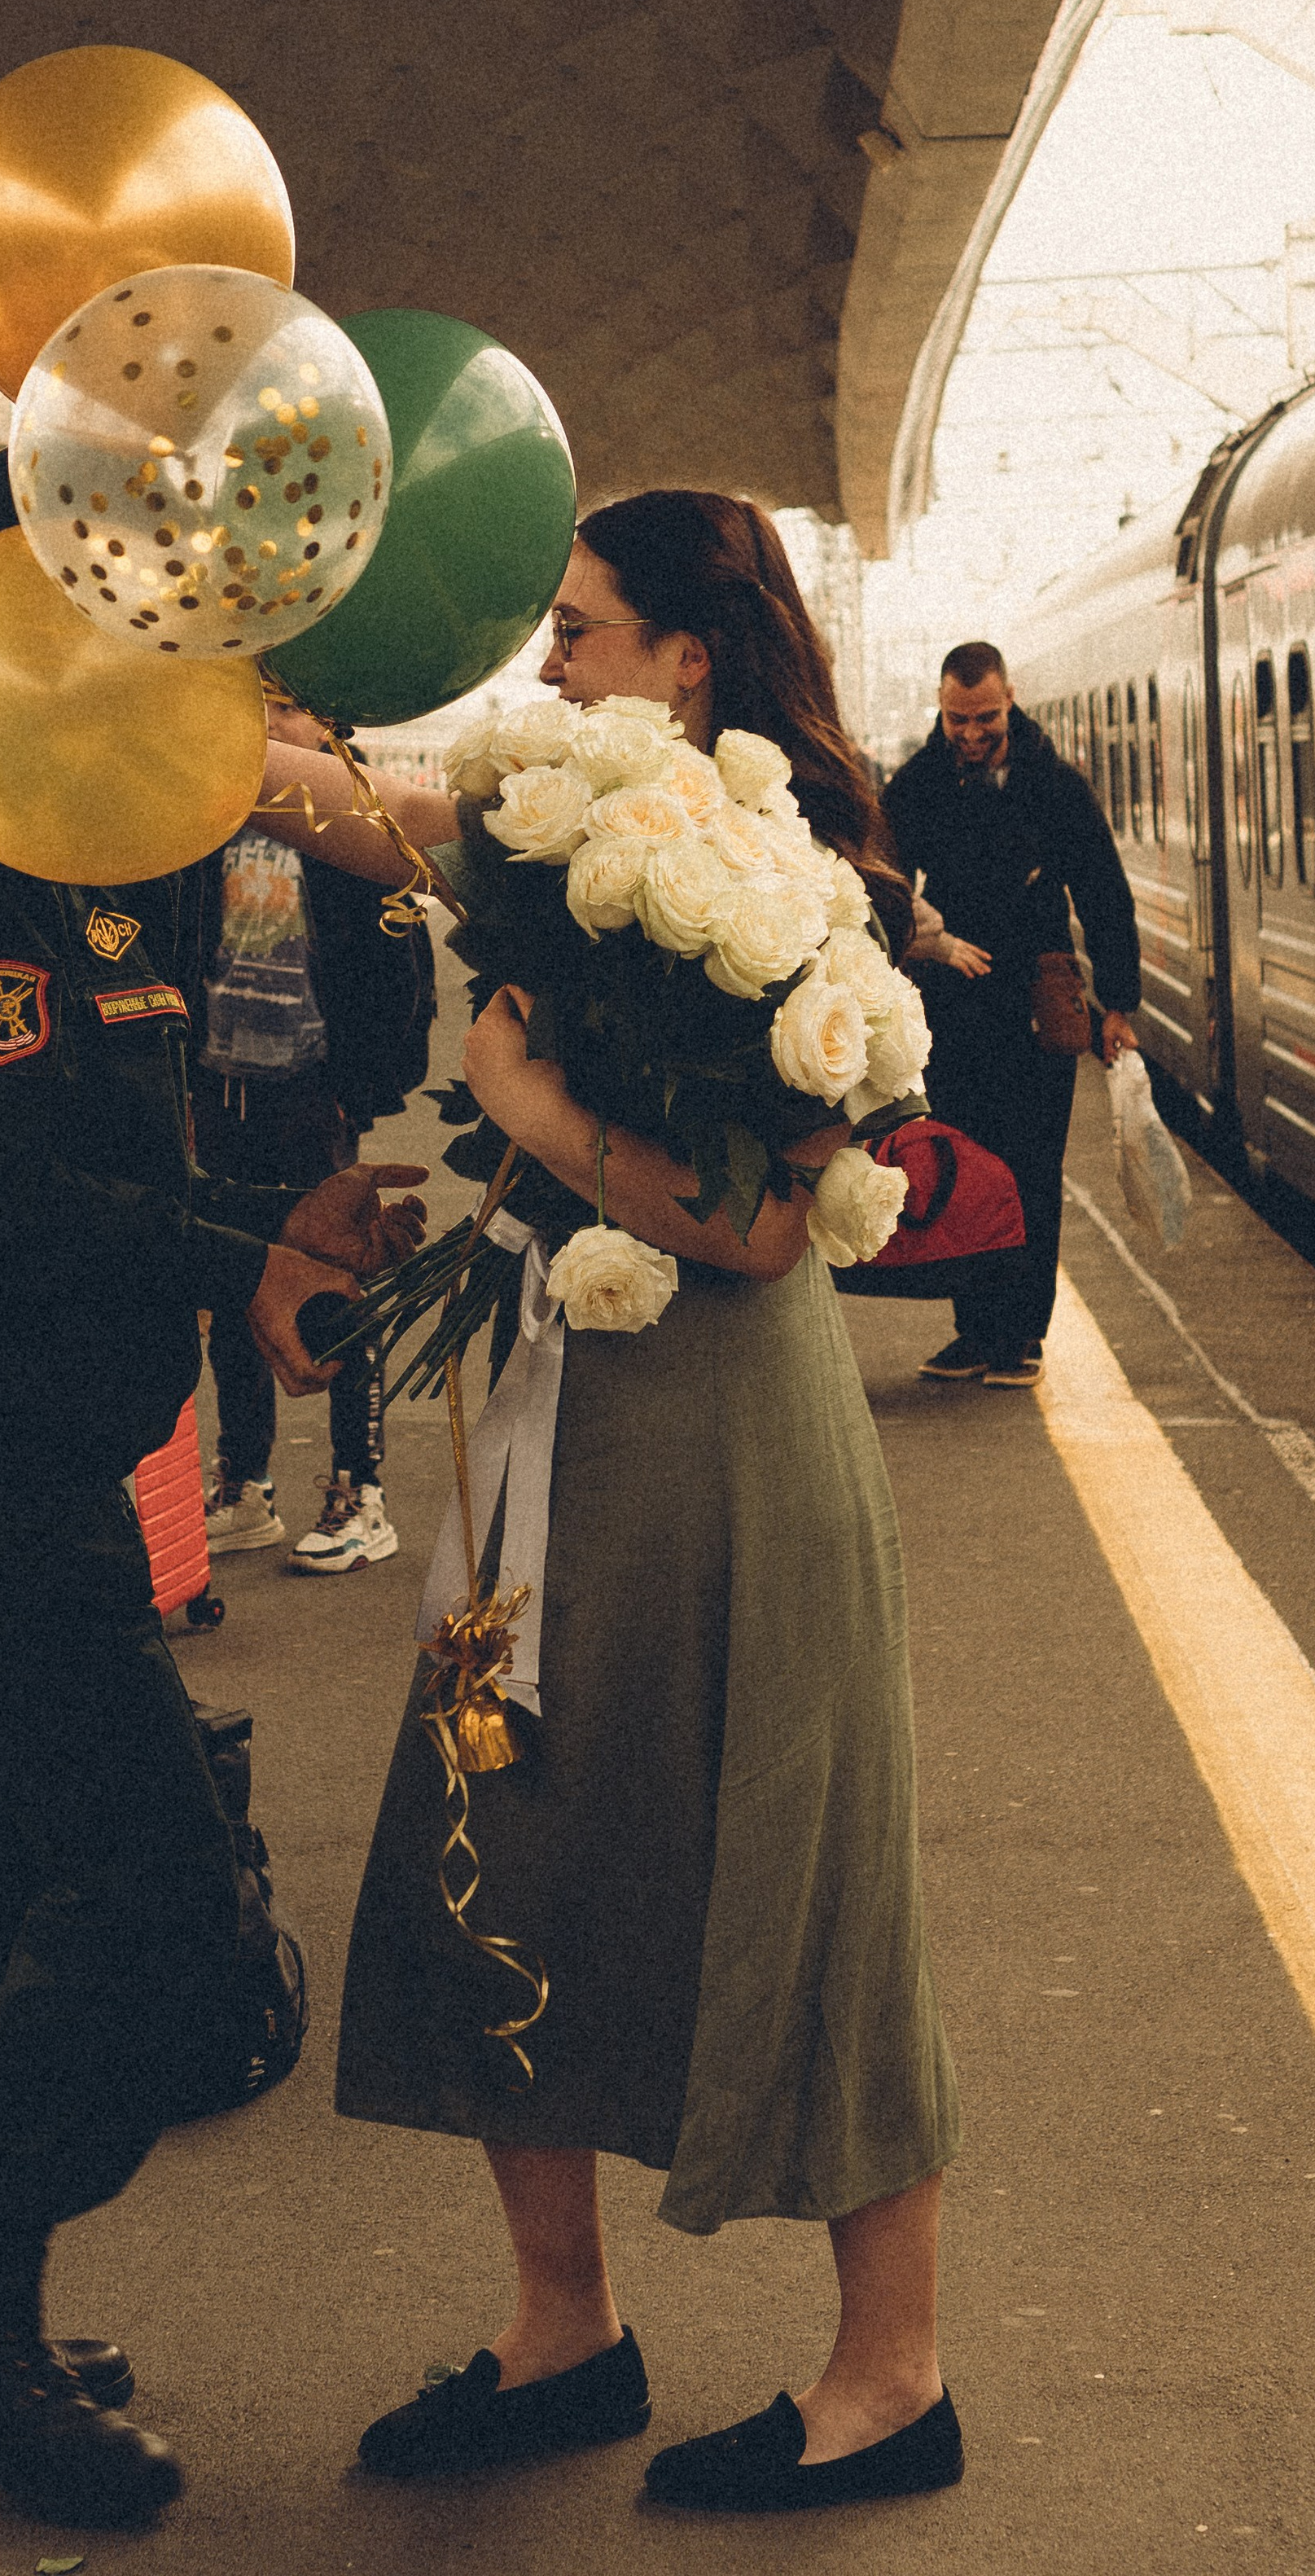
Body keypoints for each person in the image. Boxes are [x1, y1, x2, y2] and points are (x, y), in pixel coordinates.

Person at [306, 491, 962, 2518]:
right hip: (553, 1416)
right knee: (490, 1810)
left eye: (579, 632)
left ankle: (888, 2373)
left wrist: (526, 1116)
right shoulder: (559, 844)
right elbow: (337, 807)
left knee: (792, 1853)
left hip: (722, 1445)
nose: (549, 665)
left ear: (689, 659)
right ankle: (559, 2326)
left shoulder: (785, 892)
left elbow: (764, 1228)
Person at [0, 456, 428, 2531]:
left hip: (17, 1440)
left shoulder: (105, 841)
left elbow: (111, 1155)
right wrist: (233, 1260)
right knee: (155, 1904)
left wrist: (269, 1214)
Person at [191, 703, 436, 1573]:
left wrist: (353, 1095)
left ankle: (358, 1490)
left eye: (288, 708)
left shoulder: (354, 828)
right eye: (254, 700)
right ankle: (245, 1484)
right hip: (217, 1094)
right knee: (230, 1287)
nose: (265, 720)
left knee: (339, 1287)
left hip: (312, 1101)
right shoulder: (204, 810)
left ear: (330, 730)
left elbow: (402, 984)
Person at [881, 640, 1140, 1390]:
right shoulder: (919, 785)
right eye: (956, 719)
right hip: (953, 1006)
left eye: (985, 719)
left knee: (1031, 1170)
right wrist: (922, 946)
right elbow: (881, 878)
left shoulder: (1054, 786)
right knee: (962, 1166)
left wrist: (1118, 1002)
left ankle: (1021, 1334)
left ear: (1010, 699)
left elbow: (1102, 888)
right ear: (941, 705)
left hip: (1035, 1002)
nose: (969, 734)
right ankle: (973, 1331)